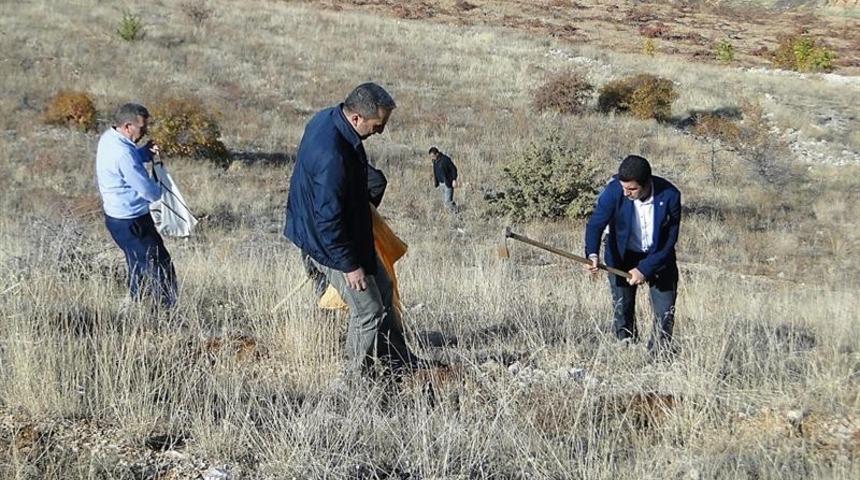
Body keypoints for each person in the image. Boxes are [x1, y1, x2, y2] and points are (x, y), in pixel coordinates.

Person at [284, 83, 418, 376]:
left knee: (384, 286)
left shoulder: (328, 118)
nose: (380, 132)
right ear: (356, 118)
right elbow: (327, 220)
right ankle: (353, 380)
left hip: (345, 232)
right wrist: (350, 266)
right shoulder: (332, 156)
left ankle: (397, 359)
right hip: (327, 242)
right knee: (368, 310)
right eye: (377, 125)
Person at [583, 155, 681, 353]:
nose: (626, 193)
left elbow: (669, 241)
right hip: (622, 256)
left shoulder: (670, 195)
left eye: (632, 189)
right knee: (622, 308)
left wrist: (644, 269)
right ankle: (626, 350)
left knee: (665, 312)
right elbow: (595, 224)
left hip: (658, 258)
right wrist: (592, 254)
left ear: (647, 183)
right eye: (623, 187)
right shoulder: (614, 191)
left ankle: (659, 356)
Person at [96, 103, 177, 308]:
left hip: (118, 219)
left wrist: (143, 154)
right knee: (161, 266)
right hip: (133, 221)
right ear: (128, 126)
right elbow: (148, 191)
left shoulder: (109, 139)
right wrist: (165, 189)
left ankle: (135, 306)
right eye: (142, 127)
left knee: (137, 264)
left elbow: (126, 162)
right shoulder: (123, 153)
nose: (145, 131)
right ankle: (167, 314)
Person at [429, 147, 458, 212]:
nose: (432, 158)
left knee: (447, 202)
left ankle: (456, 213)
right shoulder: (434, 161)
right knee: (445, 202)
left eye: (433, 156)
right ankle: (454, 211)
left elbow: (454, 169)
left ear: (437, 154)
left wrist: (454, 179)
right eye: (431, 156)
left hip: (448, 183)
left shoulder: (445, 160)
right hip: (441, 183)